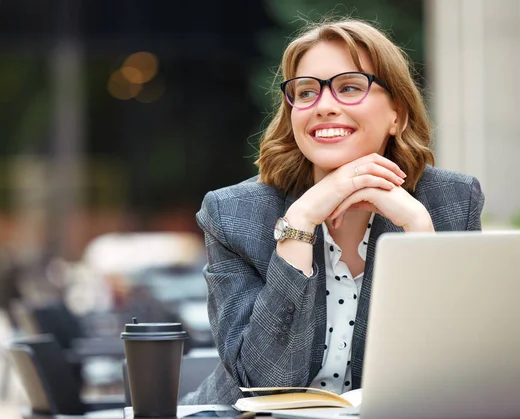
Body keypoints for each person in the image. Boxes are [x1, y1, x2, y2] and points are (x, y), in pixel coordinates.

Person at [181, 17, 485, 405]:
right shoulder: (233, 213)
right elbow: (263, 382)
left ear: (398, 114)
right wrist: (299, 225)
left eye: (350, 87)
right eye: (306, 93)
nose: (323, 106)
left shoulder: (451, 202)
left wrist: (419, 232)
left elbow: (460, 373)